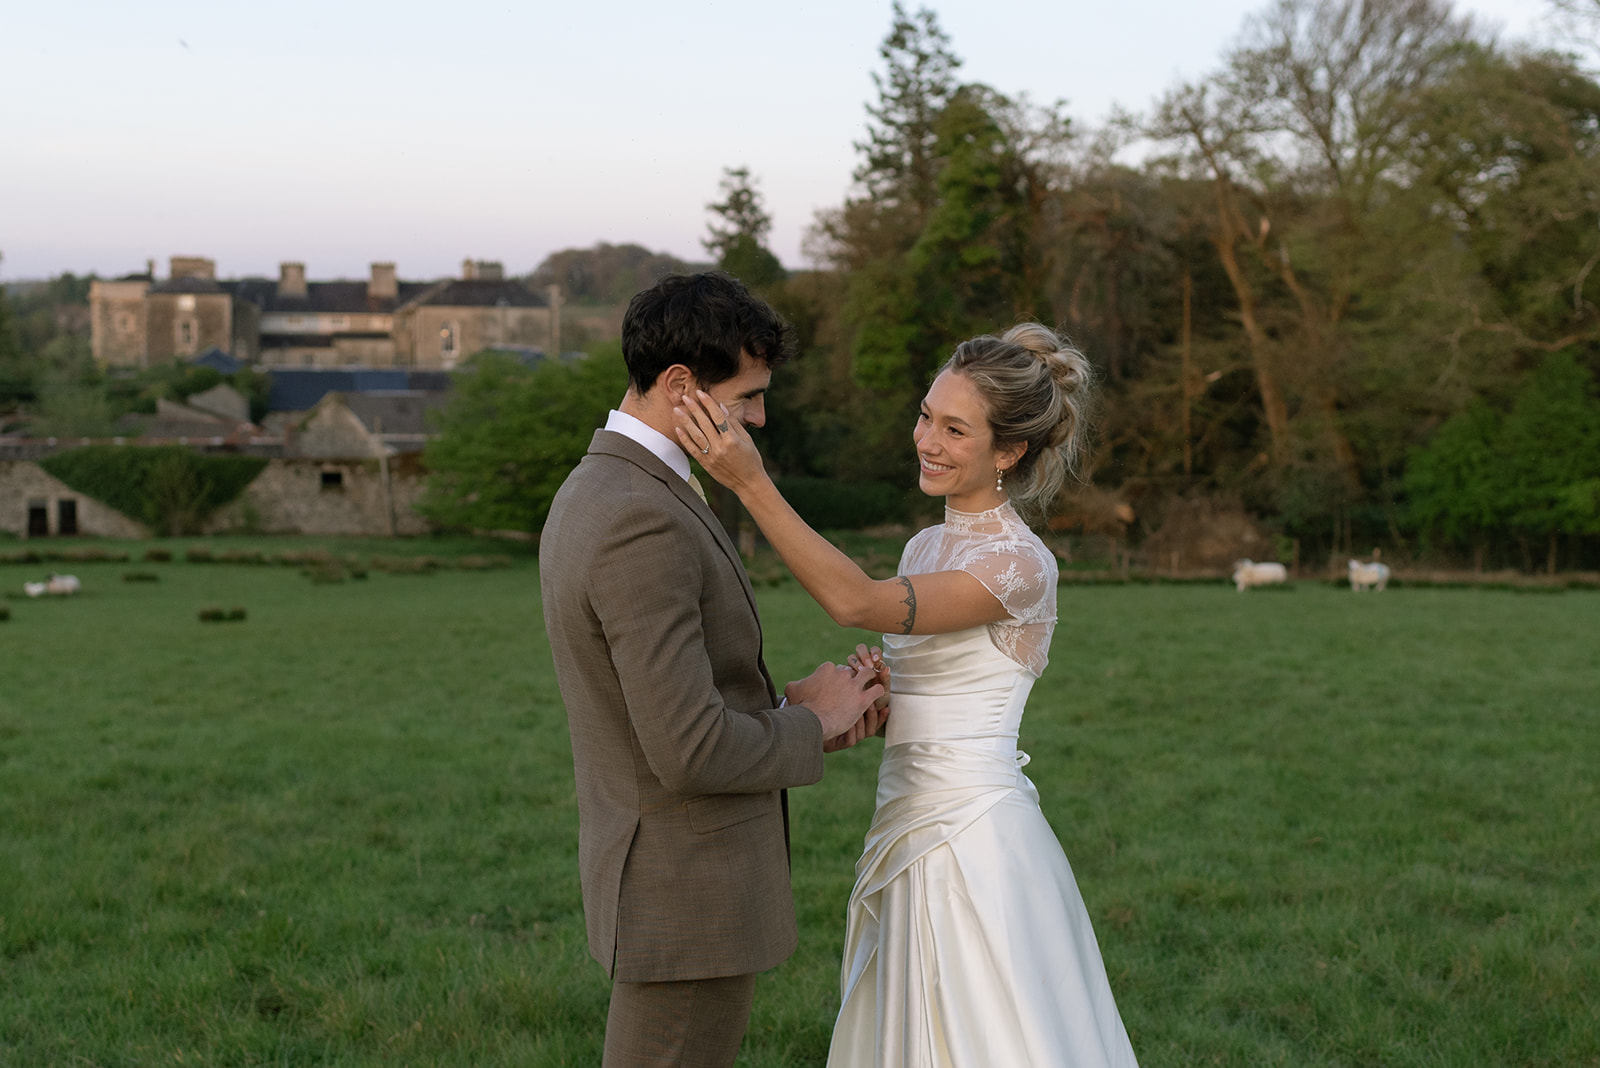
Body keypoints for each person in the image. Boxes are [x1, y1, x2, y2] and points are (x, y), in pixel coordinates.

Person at [674, 322, 1140, 1067]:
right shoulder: (925, 547)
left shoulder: (1021, 565)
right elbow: (928, 686)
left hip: (972, 840)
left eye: (957, 429)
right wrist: (872, 699)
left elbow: (856, 601)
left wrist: (749, 482)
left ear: (1009, 452)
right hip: (900, 823)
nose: (928, 439)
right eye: (927, 415)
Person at [539, 271, 886, 1068]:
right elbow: (688, 748)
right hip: (683, 893)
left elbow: (664, 703)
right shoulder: (638, 516)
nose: (761, 416)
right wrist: (813, 723)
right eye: (750, 395)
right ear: (681, 385)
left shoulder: (605, 485)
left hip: (670, 884)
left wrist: (789, 703)